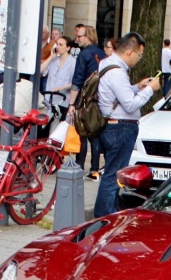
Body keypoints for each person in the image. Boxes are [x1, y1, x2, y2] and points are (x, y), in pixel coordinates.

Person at [93, 32, 160, 216]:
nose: (139, 59)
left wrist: (136, 87)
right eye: (139, 55)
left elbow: (119, 96)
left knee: (111, 173)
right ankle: (105, 215)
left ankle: (107, 211)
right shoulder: (117, 72)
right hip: (120, 127)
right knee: (114, 175)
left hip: (113, 125)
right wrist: (149, 90)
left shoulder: (107, 64)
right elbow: (130, 104)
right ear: (130, 52)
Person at [69, 24, 107, 178]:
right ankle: (94, 169)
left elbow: (77, 80)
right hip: (99, 98)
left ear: (89, 37)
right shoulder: (102, 54)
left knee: (82, 132)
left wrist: (72, 103)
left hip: (84, 98)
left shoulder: (84, 55)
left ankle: (79, 165)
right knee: (95, 133)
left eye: (80, 36)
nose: (77, 39)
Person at [40, 35, 75, 117]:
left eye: (61, 45)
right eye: (57, 44)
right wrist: (50, 57)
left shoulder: (73, 62)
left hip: (62, 100)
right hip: (49, 99)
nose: (58, 47)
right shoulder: (54, 60)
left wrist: (60, 88)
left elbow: (75, 83)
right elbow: (41, 71)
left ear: (68, 48)